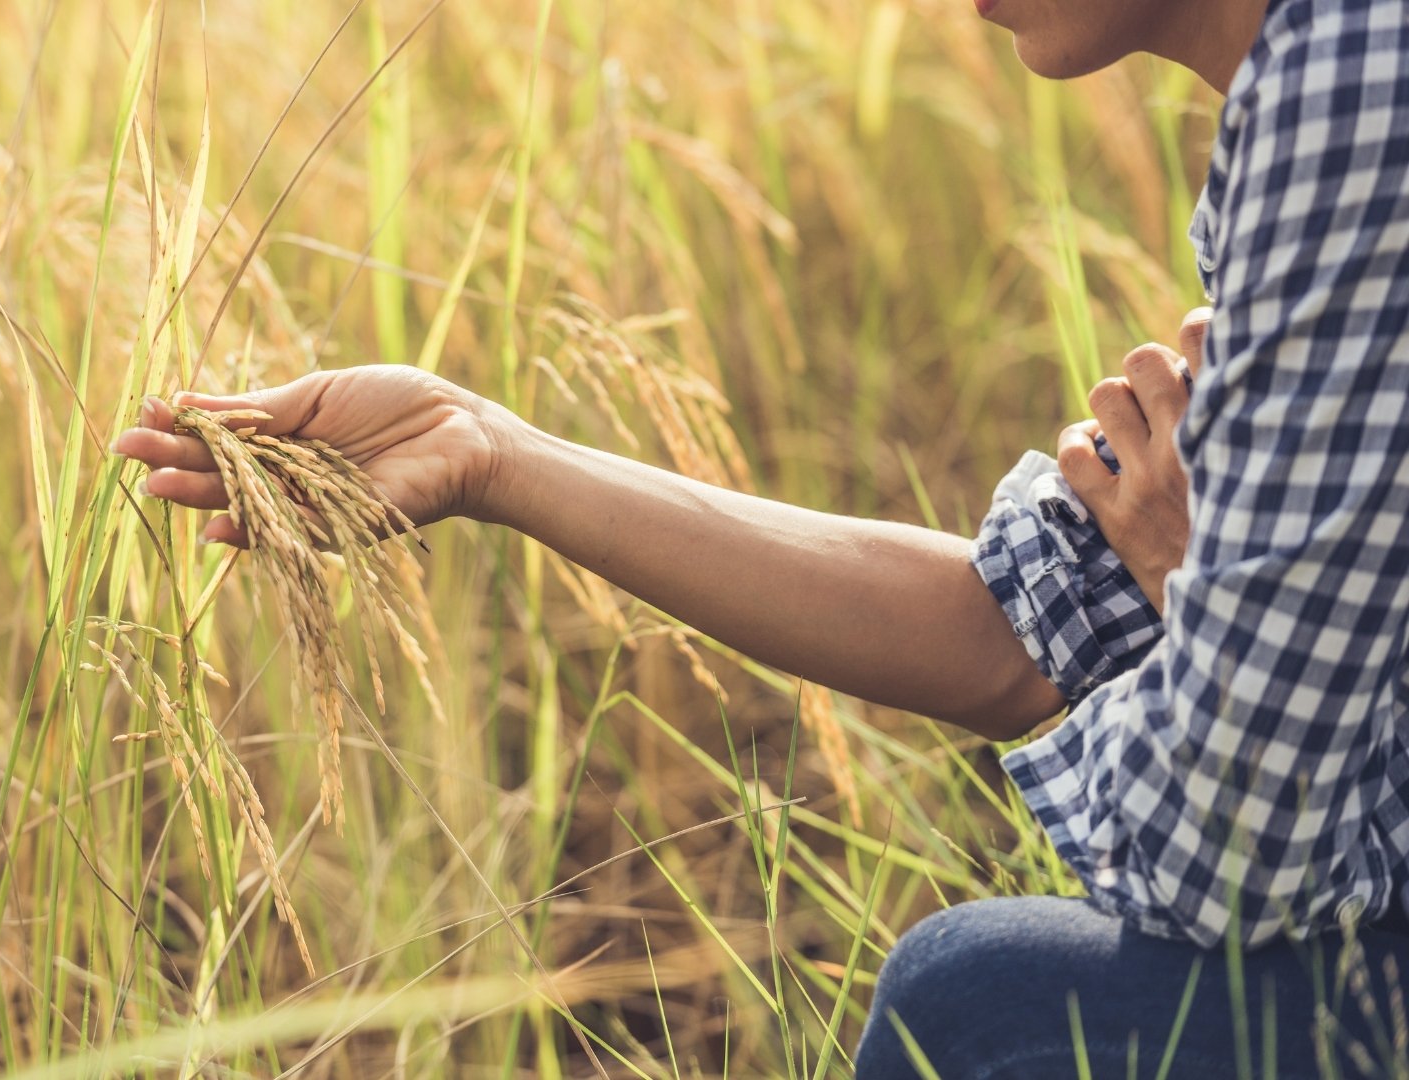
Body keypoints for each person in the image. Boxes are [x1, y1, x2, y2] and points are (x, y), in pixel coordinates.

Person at [117, 0, 1409, 1073]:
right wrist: (491, 450)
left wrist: (1190, 580)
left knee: (989, 1002)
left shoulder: (1355, 94)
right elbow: (1014, 635)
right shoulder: (1311, 85)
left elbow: (1236, 865)